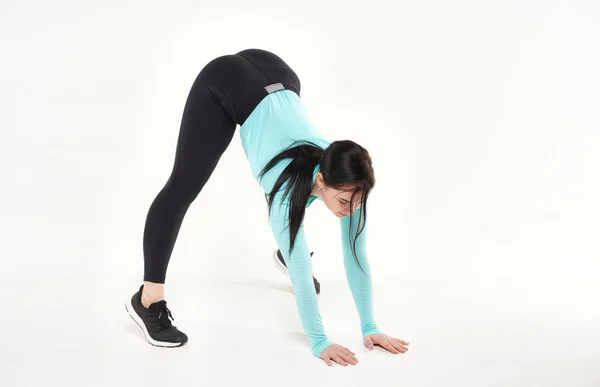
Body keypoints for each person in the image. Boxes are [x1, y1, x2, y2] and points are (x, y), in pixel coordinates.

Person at [125, 48, 410, 366]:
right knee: (183, 186)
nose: (350, 210)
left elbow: (357, 255)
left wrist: (370, 326)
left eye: (358, 202)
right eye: (343, 201)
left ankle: (286, 248)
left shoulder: (348, 172)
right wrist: (319, 341)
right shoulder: (288, 191)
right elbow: (302, 275)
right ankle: (147, 299)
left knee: (291, 227)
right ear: (320, 181)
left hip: (278, 74)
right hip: (225, 83)